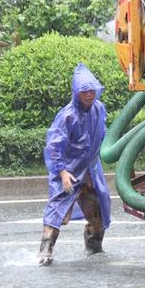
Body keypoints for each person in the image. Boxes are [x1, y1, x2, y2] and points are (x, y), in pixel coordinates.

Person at [37, 63, 111, 266]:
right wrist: (61, 172)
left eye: (91, 90)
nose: (88, 95)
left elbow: (104, 136)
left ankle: (94, 249)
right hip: (69, 172)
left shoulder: (98, 109)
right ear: (76, 93)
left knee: (97, 213)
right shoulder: (67, 116)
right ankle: (45, 252)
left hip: (90, 172)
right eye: (84, 91)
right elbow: (54, 146)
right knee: (56, 212)